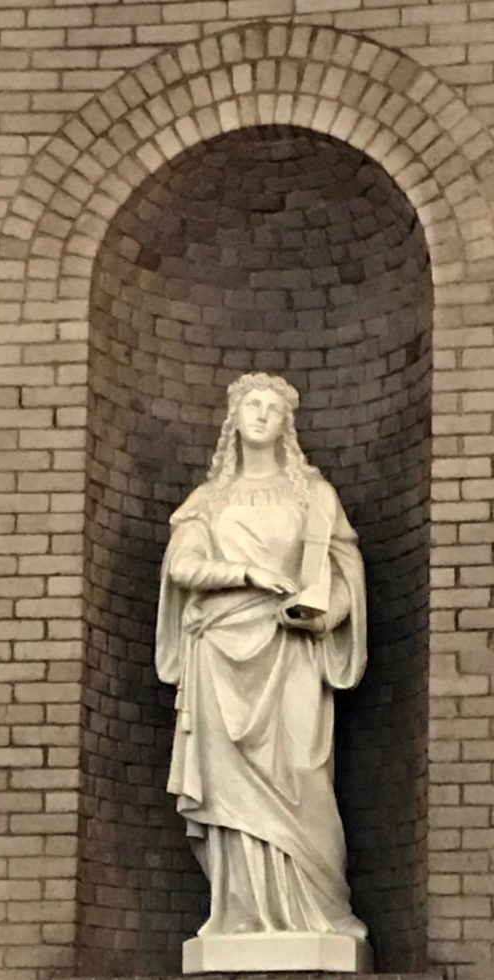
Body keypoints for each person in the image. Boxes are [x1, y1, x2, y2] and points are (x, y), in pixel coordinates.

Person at [155, 372, 368, 939]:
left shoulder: (314, 496)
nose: (261, 415)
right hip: (219, 651)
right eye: (252, 404)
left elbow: (344, 574)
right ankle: (240, 915)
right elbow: (182, 566)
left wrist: (323, 615)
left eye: (273, 408)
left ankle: (321, 911)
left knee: (303, 772)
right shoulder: (209, 500)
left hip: (289, 648)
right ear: (234, 418)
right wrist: (247, 573)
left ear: (286, 425)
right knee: (228, 790)